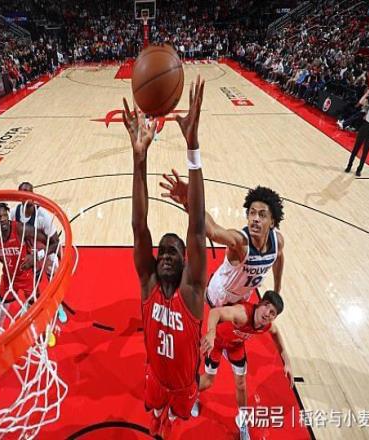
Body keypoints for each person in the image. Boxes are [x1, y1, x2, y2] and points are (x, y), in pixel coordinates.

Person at [124, 76, 206, 438]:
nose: (165, 255)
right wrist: (138, 159)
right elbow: (139, 227)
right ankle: (160, 415)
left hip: (185, 385)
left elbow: (197, 228)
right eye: (162, 251)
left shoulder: (192, 293)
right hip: (155, 377)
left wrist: (193, 147)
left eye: (173, 251)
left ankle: (171, 416)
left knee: (178, 418)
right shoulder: (149, 285)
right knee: (154, 411)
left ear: (187, 262)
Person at [160, 174, 285, 307]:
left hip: (244, 293)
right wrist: (189, 202)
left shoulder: (277, 241)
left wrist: (276, 290)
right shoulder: (240, 242)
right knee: (205, 309)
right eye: (252, 213)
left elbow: (278, 258)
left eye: (262, 215)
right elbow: (212, 231)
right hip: (222, 292)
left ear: (272, 222)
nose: (255, 219)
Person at [195, 291, 293, 440]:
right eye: (266, 306)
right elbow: (215, 313)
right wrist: (211, 333)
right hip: (218, 342)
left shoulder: (265, 325)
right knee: (208, 381)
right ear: (259, 303)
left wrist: (286, 360)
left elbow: (275, 332)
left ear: (274, 317)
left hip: (235, 346)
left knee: (241, 385)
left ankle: (242, 421)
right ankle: (191, 396)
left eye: (272, 313)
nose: (267, 313)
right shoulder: (242, 314)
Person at [0, 203, 59, 312]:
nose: (2, 219)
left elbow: (51, 243)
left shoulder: (21, 229)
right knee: (2, 308)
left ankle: (55, 307)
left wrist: (36, 255)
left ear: (8, 215)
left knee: (35, 304)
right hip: (8, 277)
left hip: (26, 275)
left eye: (4, 215)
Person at [11, 181, 67, 323]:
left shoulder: (43, 216)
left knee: (53, 282)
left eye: (29, 192)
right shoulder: (14, 213)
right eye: (23, 193)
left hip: (46, 254)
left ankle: (59, 306)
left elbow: (55, 243)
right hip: (29, 256)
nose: (27, 196)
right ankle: (33, 306)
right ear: (19, 196)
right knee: (32, 284)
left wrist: (40, 256)